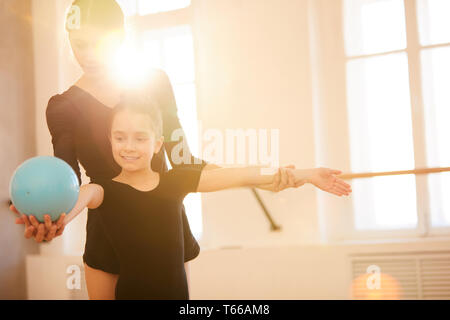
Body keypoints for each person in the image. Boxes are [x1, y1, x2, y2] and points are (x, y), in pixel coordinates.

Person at [9, 0, 302, 299]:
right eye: (79, 44)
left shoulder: (155, 83)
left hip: (165, 224)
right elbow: (68, 186)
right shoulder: (62, 107)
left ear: (120, 38)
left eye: (99, 44)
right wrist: (50, 220)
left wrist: (263, 178)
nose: (87, 55)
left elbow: (183, 160)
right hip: (109, 233)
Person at [63, 95, 352, 299]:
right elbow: (76, 199)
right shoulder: (102, 189)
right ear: (109, 139)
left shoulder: (175, 181)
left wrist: (308, 173)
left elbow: (242, 174)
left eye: (140, 138)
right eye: (120, 137)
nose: (129, 146)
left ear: (157, 144)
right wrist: (54, 219)